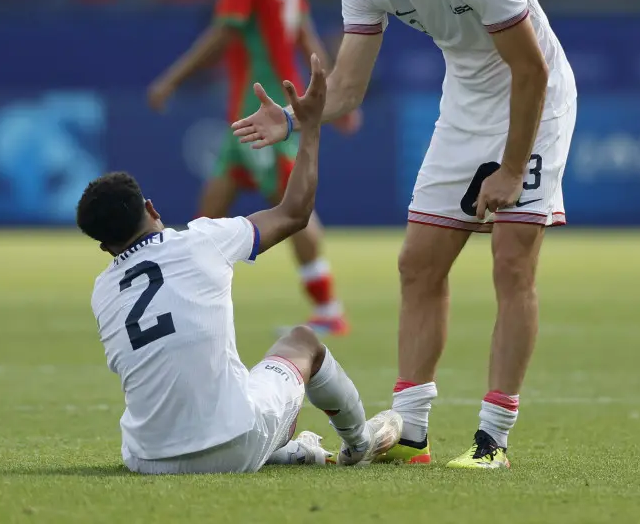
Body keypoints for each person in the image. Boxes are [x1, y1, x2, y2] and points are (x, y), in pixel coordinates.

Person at [230, 0, 578, 469]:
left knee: (512, 261)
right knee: (418, 264)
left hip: (536, 104)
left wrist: (509, 168)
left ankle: (492, 440)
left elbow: (532, 72)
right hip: (467, 104)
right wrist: (291, 120)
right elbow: (346, 92)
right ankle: (411, 433)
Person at [83, 58, 401, 474]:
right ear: (151, 208)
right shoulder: (202, 240)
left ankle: (294, 451)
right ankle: (359, 443)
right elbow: (295, 213)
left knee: (219, 388)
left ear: (106, 246)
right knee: (302, 342)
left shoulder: (102, 291)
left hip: (147, 459)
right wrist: (309, 130)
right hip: (236, 444)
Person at [147, 0, 359, 335]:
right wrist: (333, 90)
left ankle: (327, 308)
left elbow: (225, 31)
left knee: (291, 205)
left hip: (261, 106)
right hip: (271, 98)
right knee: (212, 205)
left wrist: (171, 79)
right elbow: (304, 30)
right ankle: (184, 298)